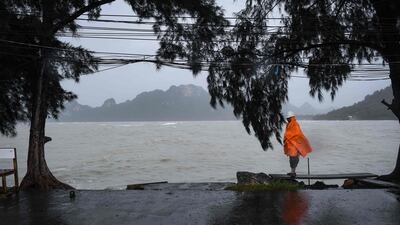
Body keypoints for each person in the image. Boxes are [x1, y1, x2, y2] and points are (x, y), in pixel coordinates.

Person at [283, 111, 312, 177]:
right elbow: (289, 133)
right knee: (291, 158)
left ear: (291, 117)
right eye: (287, 118)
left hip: (296, 145)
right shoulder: (289, 124)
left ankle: (293, 172)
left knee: (294, 158)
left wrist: (289, 137)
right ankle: (292, 171)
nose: (287, 119)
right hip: (291, 145)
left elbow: (297, 134)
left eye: (288, 118)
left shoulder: (295, 124)